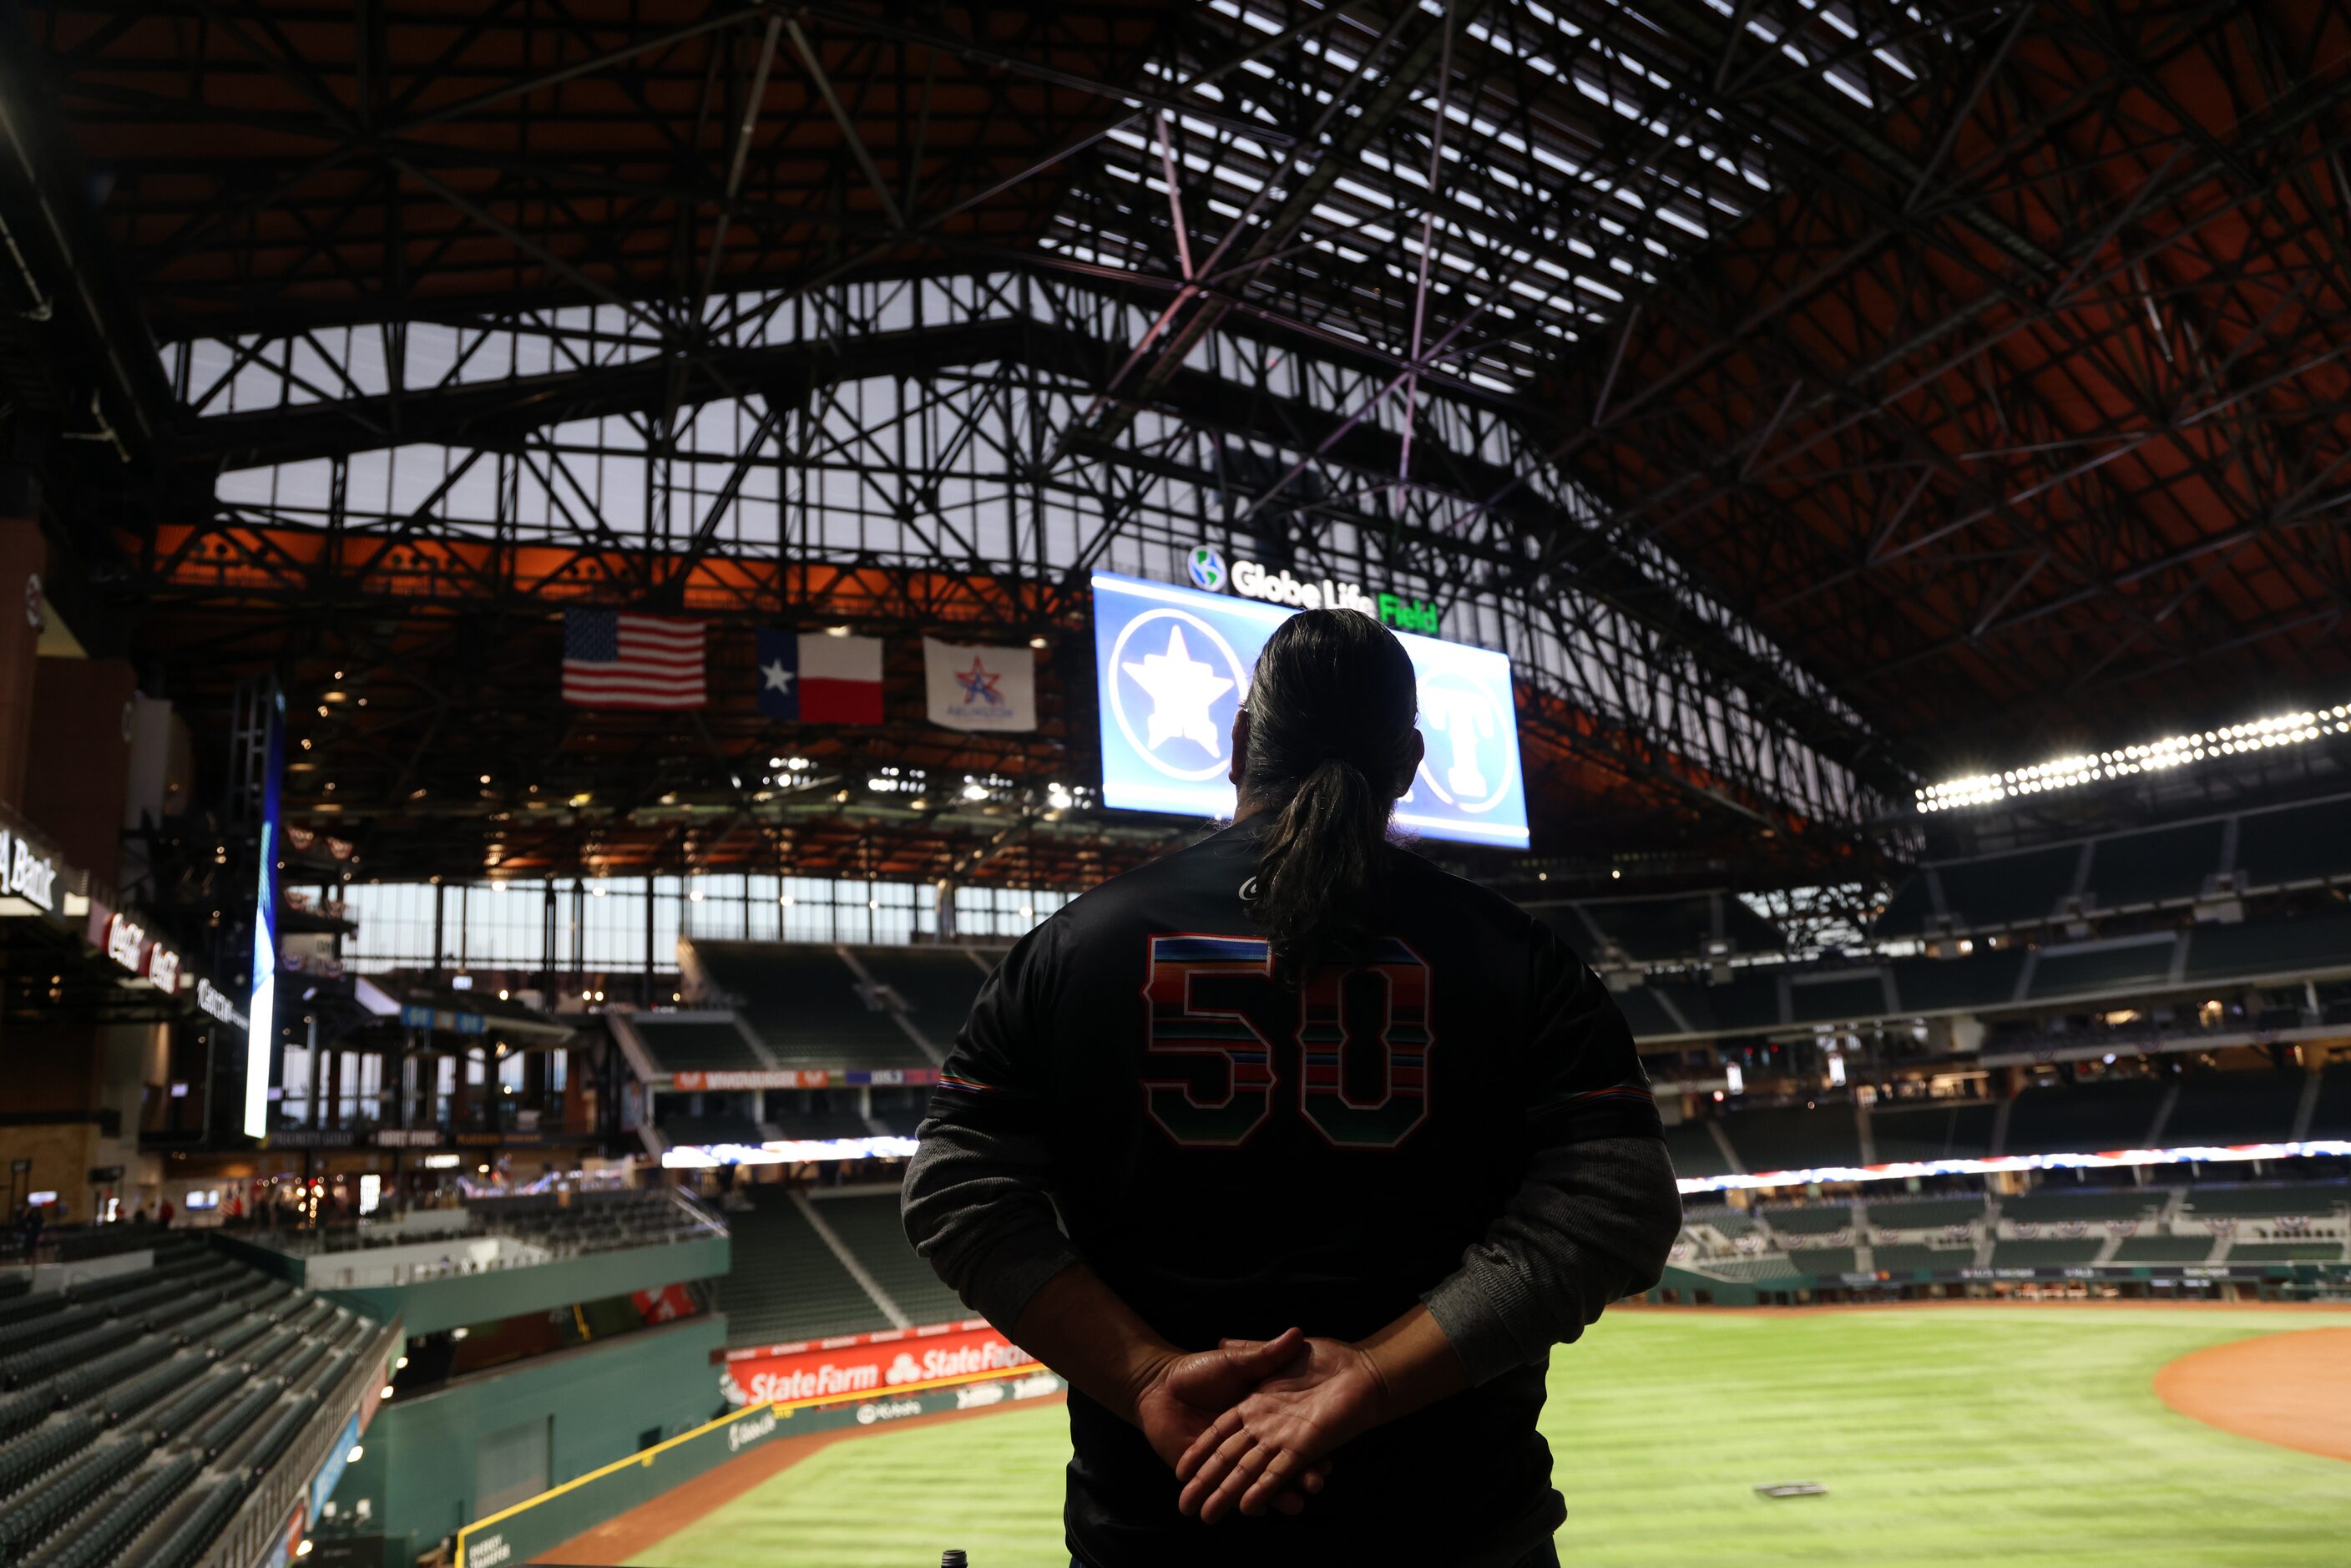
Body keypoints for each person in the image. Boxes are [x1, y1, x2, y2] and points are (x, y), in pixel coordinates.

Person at [903, 608, 1682, 1567]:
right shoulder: (1520, 960)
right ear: (1408, 763)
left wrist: (1147, 1375)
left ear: (1236, 743)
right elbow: (1620, 1205)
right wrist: (1371, 1376)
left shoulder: (1072, 948)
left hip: (1162, 1531)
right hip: (1457, 1528)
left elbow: (955, 1192)